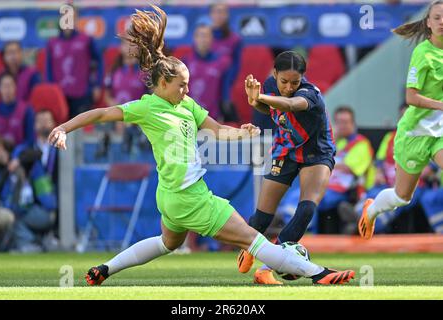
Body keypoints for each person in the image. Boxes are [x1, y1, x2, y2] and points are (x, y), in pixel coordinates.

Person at [49, 6, 354, 286]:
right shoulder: (146, 107)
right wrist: (63, 127)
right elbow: (102, 113)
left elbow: (219, 130)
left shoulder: (187, 106)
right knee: (254, 239)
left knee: (166, 243)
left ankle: (105, 269)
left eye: (188, 83)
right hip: (190, 198)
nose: (186, 89)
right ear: (162, 84)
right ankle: (318, 274)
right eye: (181, 84)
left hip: (170, 198)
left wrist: (242, 133)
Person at [236, 51, 337, 285]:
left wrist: (260, 96)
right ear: (274, 74)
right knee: (260, 218)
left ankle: (267, 267)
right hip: (286, 150)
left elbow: (291, 105)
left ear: (303, 78)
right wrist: (256, 102)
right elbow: (271, 110)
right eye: (284, 81)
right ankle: (250, 248)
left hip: (316, 152)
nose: (289, 87)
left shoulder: (310, 94)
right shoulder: (271, 86)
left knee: (306, 211)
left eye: (295, 82)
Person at [359, 0, 443, 240]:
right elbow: (411, 97)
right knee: (401, 197)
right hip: (416, 132)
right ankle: (371, 209)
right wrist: (440, 105)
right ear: (428, 23)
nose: (442, 22)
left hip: (441, 131)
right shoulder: (422, 53)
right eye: (437, 17)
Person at [318, 106, 374, 234]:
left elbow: (350, 169)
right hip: (330, 185)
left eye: (345, 122)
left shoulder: (361, 143)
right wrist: (333, 139)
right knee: (304, 192)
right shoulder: (338, 142)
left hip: (352, 190)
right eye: (338, 122)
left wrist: (330, 162)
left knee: (317, 198)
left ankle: (355, 220)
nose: (342, 126)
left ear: (353, 124)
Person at [46, 8, 103, 118]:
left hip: (82, 94)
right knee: (61, 131)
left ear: (76, 19)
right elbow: (49, 69)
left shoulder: (86, 39)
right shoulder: (52, 43)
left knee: (80, 131)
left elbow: (99, 62)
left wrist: (97, 84)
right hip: (60, 95)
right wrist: (50, 91)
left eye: (71, 17)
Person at [182, 23, 231, 120]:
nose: (203, 39)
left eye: (206, 36)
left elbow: (225, 90)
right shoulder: (185, 62)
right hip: (189, 116)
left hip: (213, 117)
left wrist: (224, 109)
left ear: (212, 39)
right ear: (194, 38)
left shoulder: (222, 62)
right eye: (200, 36)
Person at [208, 3, 242, 122]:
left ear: (227, 15)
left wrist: (227, 90)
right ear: (211, 15)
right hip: (208, 86)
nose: (219, 16)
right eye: (216, 12)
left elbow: (236, 67)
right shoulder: (205, 37)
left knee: (230, 123)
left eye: (222, 12)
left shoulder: (235, 39)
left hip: (226, 87)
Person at [0, 72, 35, 147]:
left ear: (15, 87)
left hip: (20, 154)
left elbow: (30, 140)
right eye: (4, 86)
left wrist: (17, 154)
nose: (7, 90)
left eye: (10, 85)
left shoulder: (27, 110)